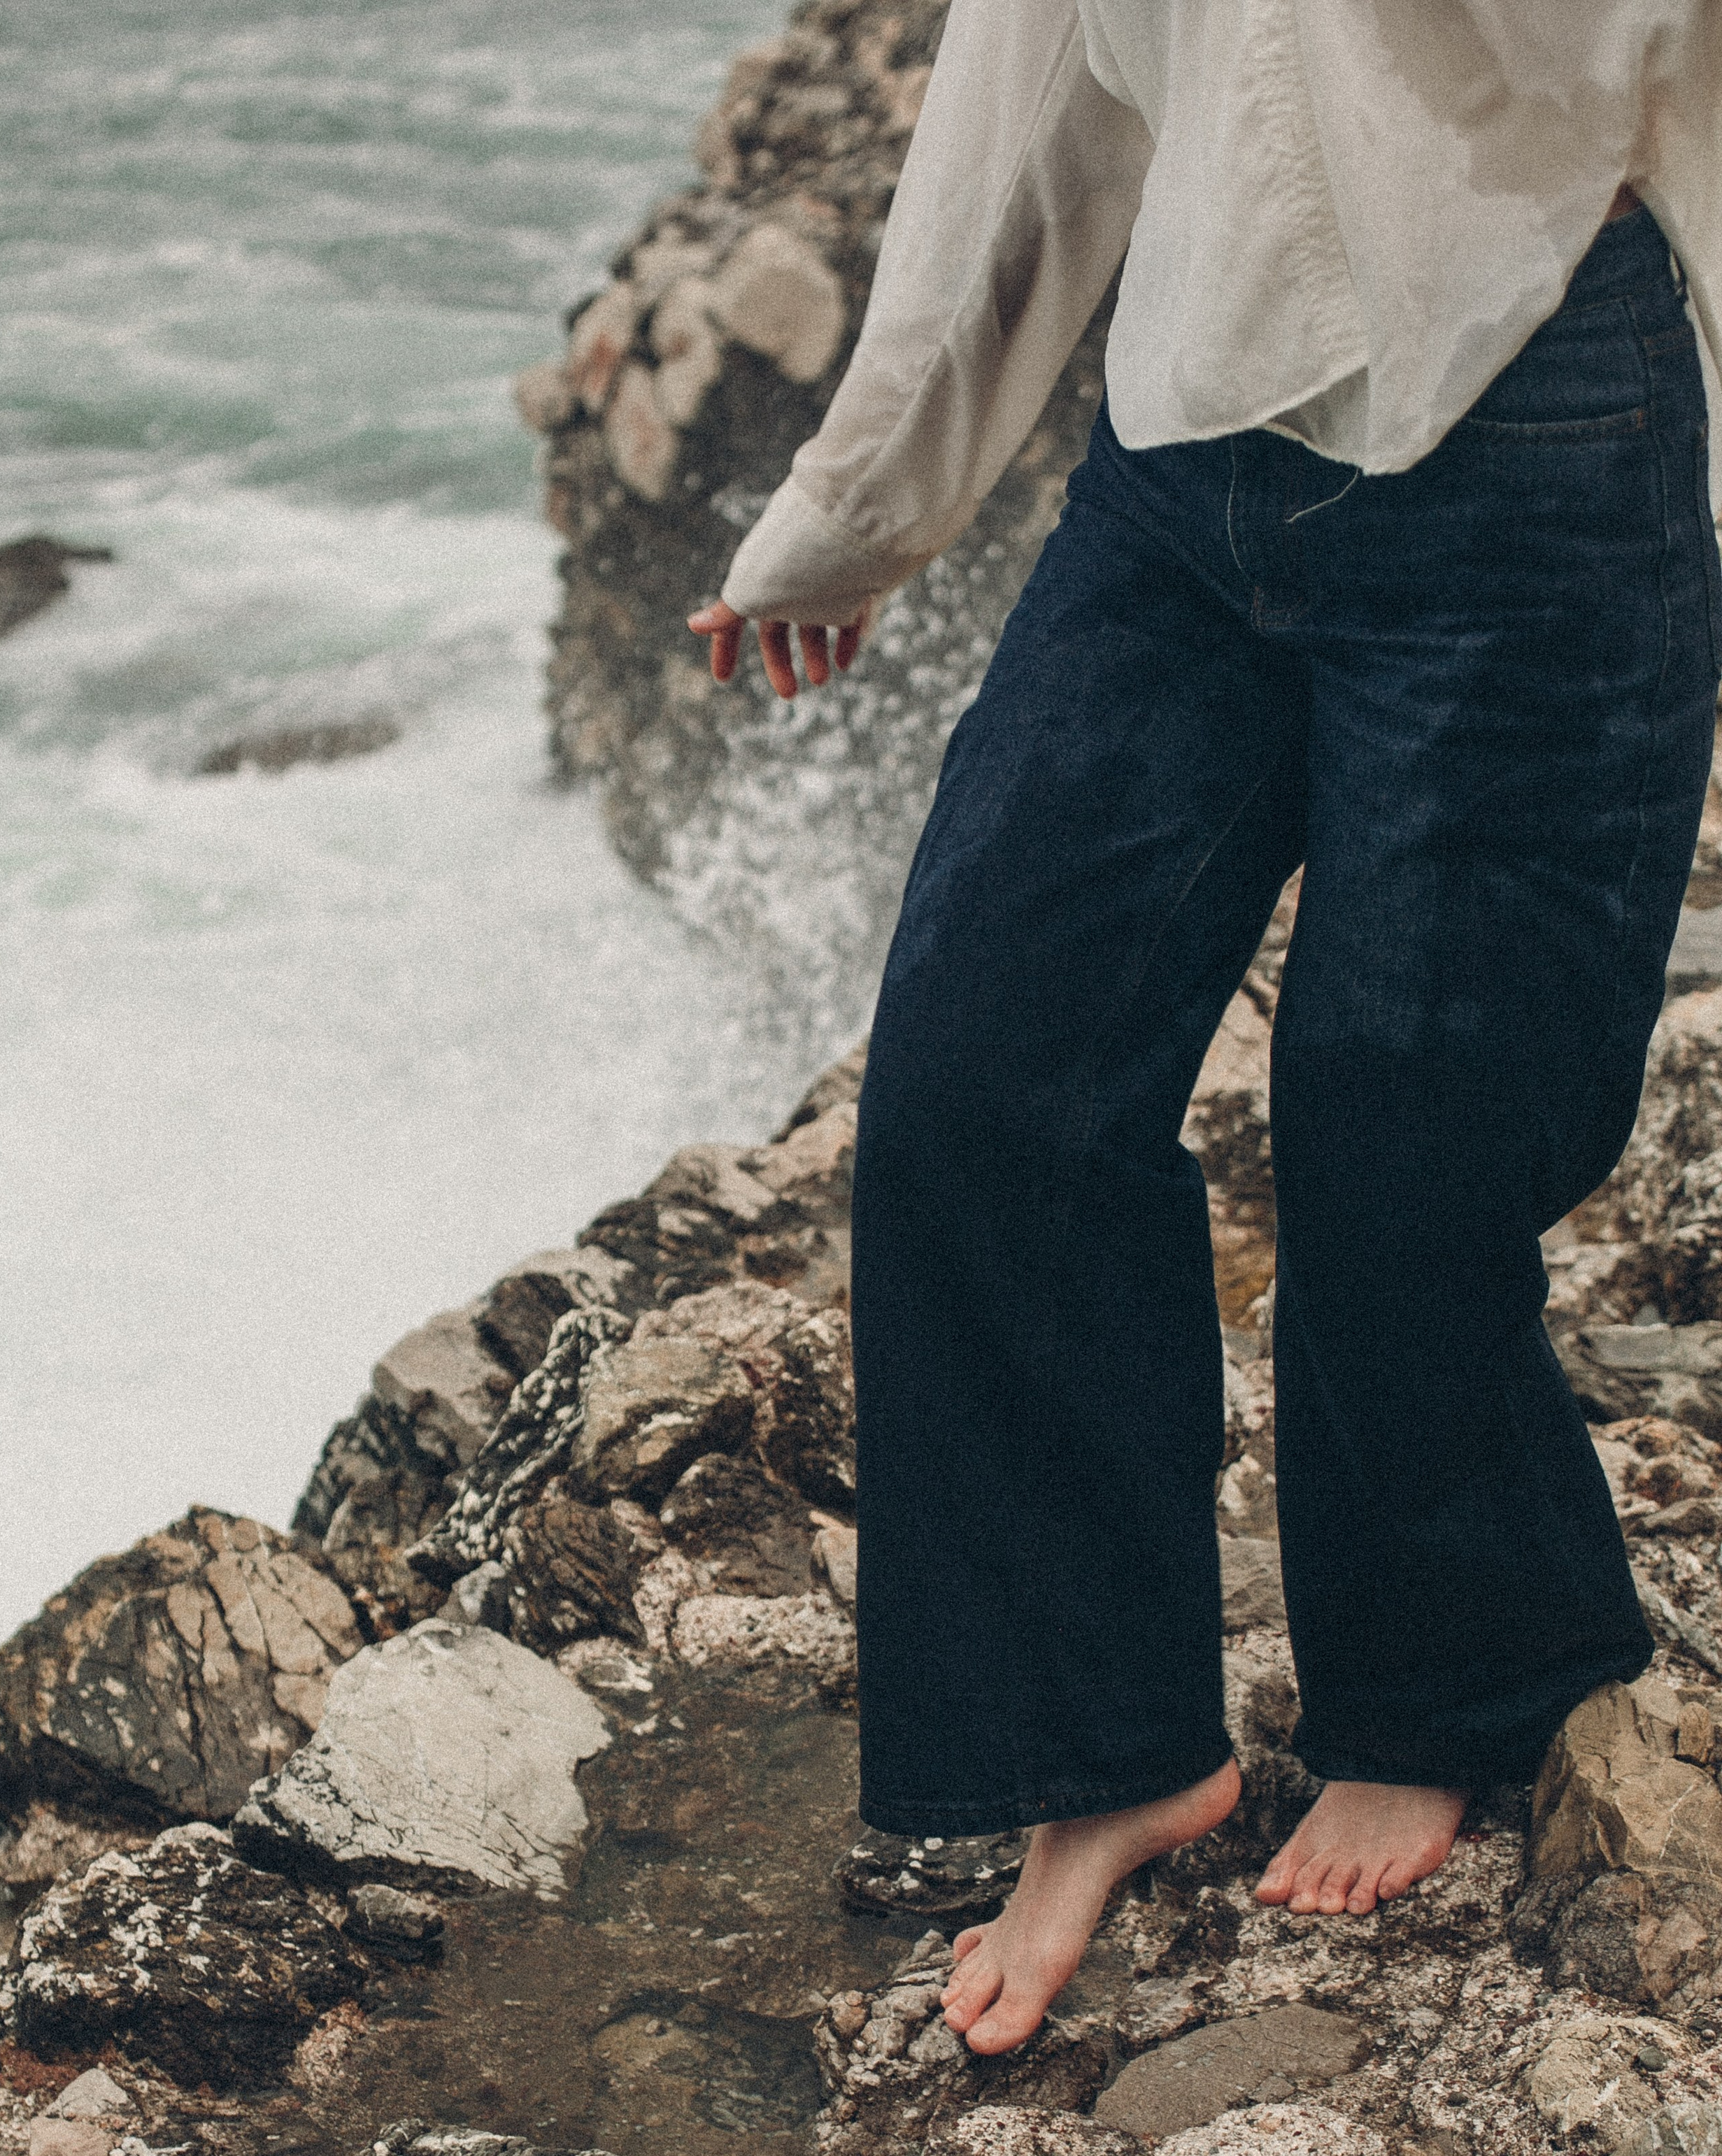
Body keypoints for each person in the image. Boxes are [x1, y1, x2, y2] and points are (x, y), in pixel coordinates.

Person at [688, 0, 1722, 2053]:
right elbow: (1032, 98)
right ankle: (1107, 1747)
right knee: (982, 1079)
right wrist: (867, 499)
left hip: (1537, 423)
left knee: (1409, 1120)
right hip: (1181, 451)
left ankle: (1443, 1687)